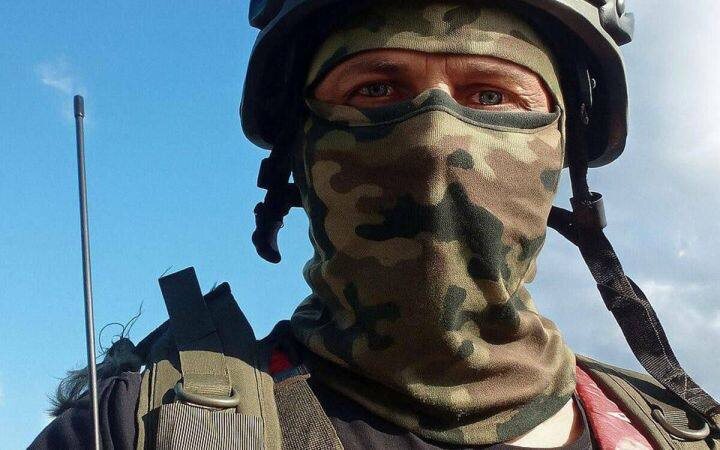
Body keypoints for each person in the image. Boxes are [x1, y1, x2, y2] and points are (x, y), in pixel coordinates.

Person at [31, 0, 720, 449]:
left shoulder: (677, 433)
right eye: (377, 89)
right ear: (301, 152)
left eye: (490, 93)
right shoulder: (134, 431)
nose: (434, 140)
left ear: (561, 146)